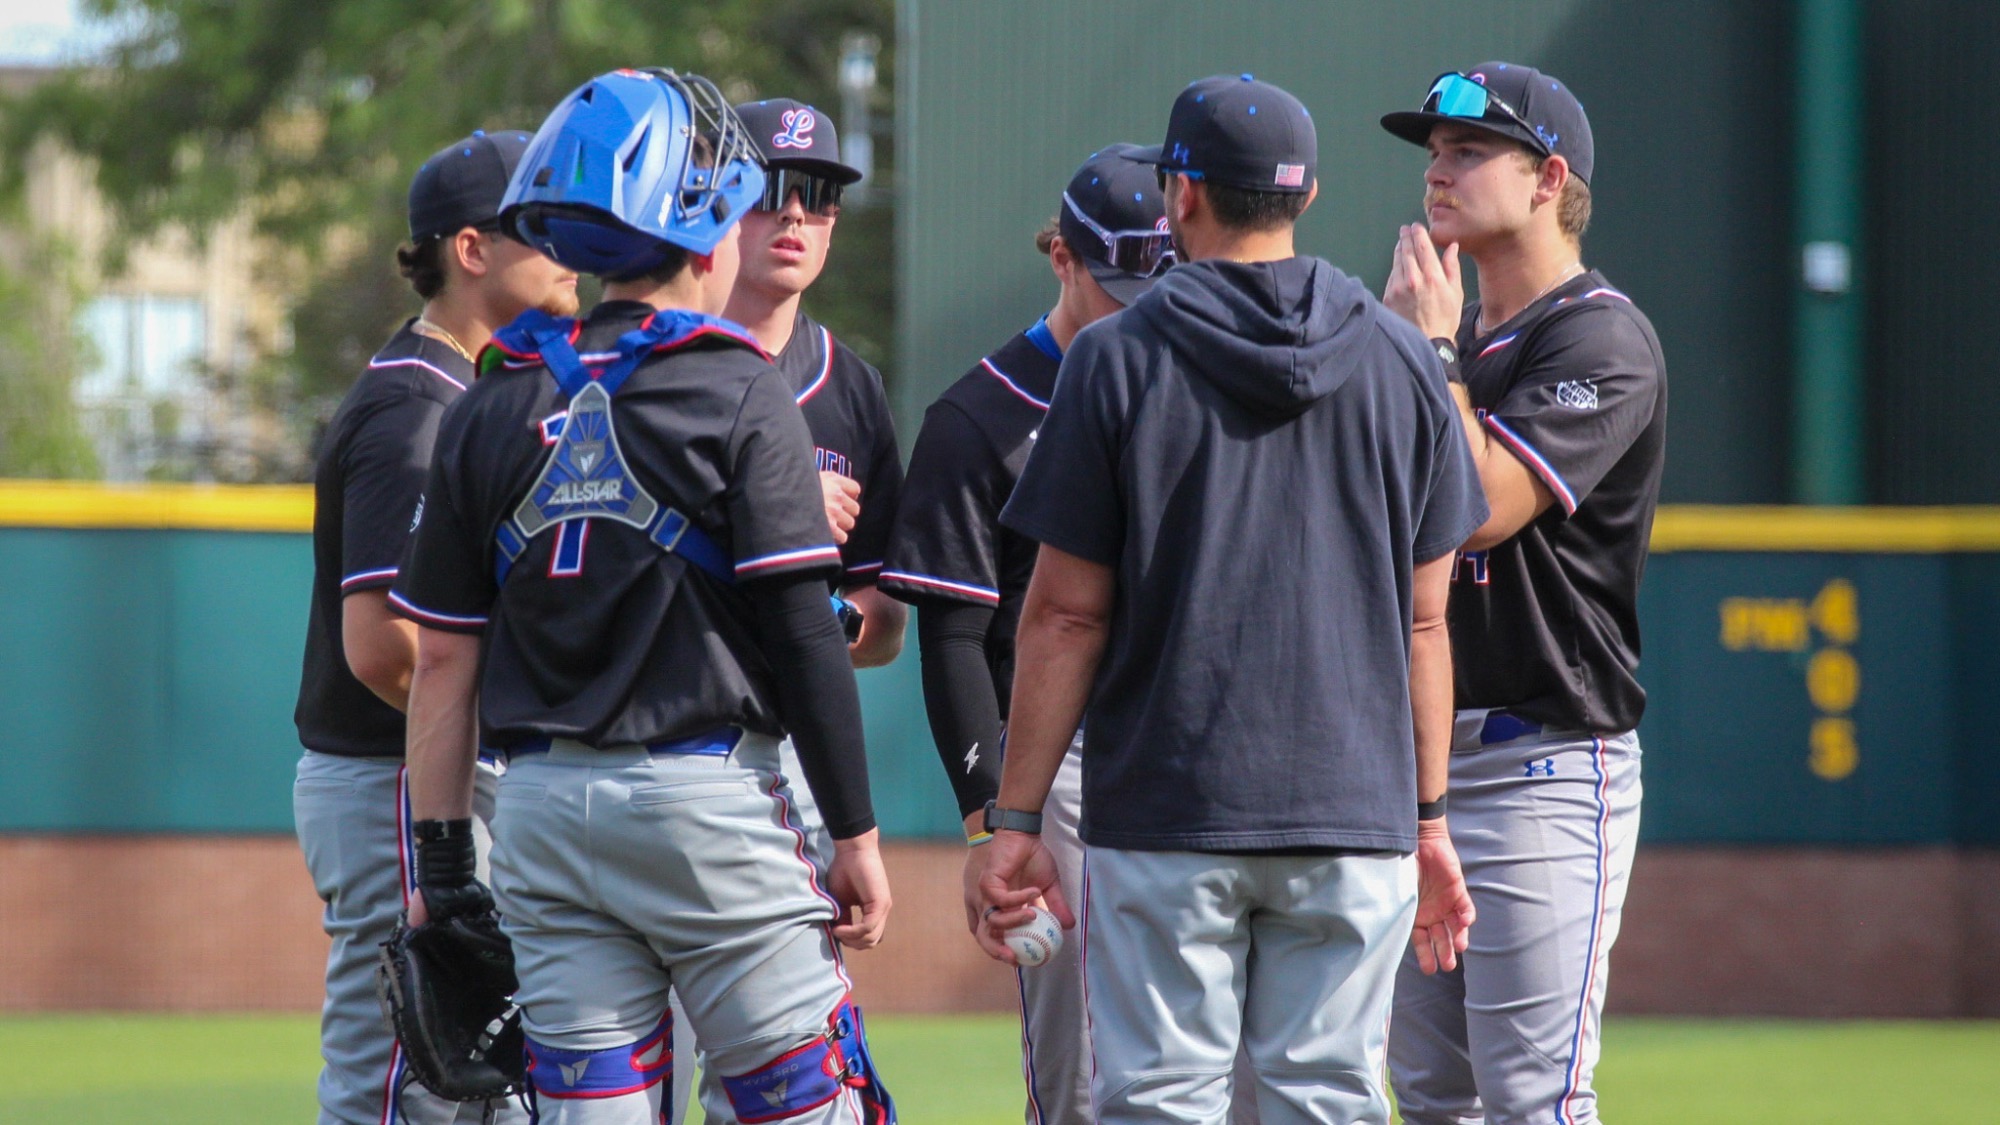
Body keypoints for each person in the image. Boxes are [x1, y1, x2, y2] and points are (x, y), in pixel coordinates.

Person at [976, 74, 1487, 1125]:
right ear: (1303, 198)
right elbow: (1426, 621)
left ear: (1181, 197)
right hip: (1354, 810)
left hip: (1167, 807)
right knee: (1328, 1100)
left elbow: (1065, 613)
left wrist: (1015, 818)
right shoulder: (1403, 359)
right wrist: (1429, 818)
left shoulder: (1112, 357)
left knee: (1158, 1102)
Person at [390, 68, 894, 1125]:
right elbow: (803, 629)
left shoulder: (494, 398)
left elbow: (442, 662)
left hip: (538, 816)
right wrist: (852, 834)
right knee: (802, 1105)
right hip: (709, 808)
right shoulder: (742, 384)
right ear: (709, 233)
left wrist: (440, 868)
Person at [1377, 62, 1666, 1125]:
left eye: (1466, 152)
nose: (1436, 172)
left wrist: (1428, 356)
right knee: (1431, 1098)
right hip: (1413, 777)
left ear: (1548, 179)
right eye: (1432, 153)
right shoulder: (1432, 332)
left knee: (1533, 1100)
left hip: (1541, 760)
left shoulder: (1598, 336)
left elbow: (1477, 510)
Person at [878, 144, 1181, 1125]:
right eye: (1116, 279)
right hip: (1061, 769)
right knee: (1083, 1074)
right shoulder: (979, 416)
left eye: (1160, 280)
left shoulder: (1198, 388)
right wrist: (987, 821)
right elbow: (952, 638)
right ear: (1059, 255)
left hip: (1194, 753)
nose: (1140, 303)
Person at [291, 128, 576, 1125]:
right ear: (470, 249)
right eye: (539, 229)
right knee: (402, 1077)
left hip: (414, 768)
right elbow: (383, 650)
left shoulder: (463, 390)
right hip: (393, 774)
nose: (566, 252)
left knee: (467, 1081)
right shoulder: (416, 410)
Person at [669, 93, 909, 1125]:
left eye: (817, 198)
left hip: (793, 760)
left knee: (769, 1081)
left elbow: (882, 622)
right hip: (665, 741)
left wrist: (816, 610)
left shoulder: (849, 390)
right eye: (772, 194)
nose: (796, 217)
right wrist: (768, 506)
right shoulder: (654, 368)